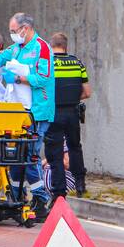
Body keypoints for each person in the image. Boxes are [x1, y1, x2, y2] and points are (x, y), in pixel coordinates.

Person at [0, 12, 54, 222]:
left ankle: (40, 200)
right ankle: (14, 197)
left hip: (37, 111)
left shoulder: (42, 48)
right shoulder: (16, 48)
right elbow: (2, 57)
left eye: (14, 31)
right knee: (14, 156)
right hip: (18, 112)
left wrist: (18, 78)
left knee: (29, 157)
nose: (12, 35)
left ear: (25, 29)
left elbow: (43, 78)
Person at [45, 32, 91, 201]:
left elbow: (42, 89)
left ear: (51, 46)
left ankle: (59, 192)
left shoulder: (48, 64)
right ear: (65, 46)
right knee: (74, 147)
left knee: (55, 153)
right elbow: (87, 92)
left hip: (53, 113)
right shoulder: (77, 63)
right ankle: (80, 184)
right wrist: (71, 98)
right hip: (72, 112)